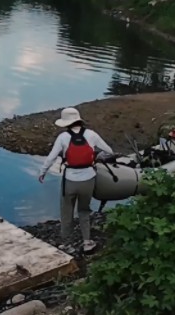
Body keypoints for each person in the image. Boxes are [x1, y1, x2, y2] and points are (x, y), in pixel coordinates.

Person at [38, 107, 113, 253]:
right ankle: (87, 243)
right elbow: (109, 150)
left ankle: (67, 244)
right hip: (88, 180)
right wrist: (96, 158)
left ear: (66, 123)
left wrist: (43, 172)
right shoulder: (92, 135)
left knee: (67, 212)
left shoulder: (63, 137)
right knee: (84, 211)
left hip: (70, 180)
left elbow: (51, 157)